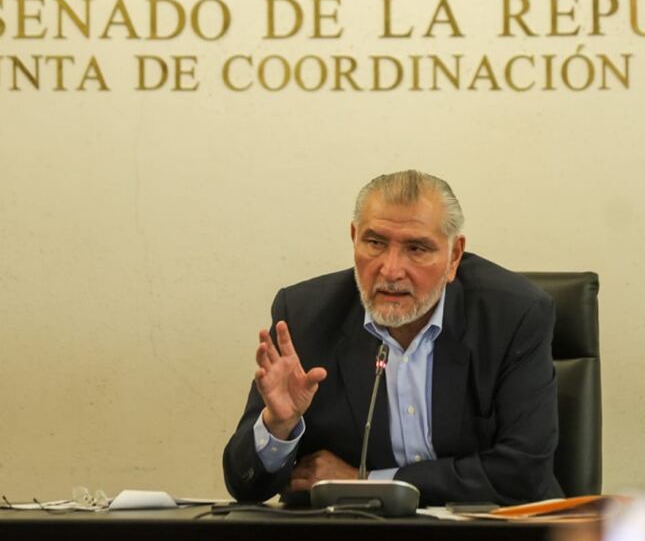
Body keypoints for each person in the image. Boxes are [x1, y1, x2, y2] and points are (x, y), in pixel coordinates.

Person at [222, 170, 562, 505]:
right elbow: (246, 486)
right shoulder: (304, 316)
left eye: (416, 249)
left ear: (454, 256)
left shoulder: (514, 315)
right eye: (375, 243)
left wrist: (365, 483)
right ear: (354, 237)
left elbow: (523, 475)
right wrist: (278, 426)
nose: (391, 270)